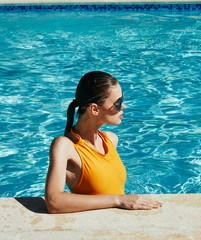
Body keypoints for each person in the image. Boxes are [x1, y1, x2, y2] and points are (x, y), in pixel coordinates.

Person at [45, 71, 162, 213]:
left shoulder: (111, 140)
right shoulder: (65, 146)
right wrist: (118, 200)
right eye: (118, 103)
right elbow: (54, 201)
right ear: (94, 109)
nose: (123, 106)